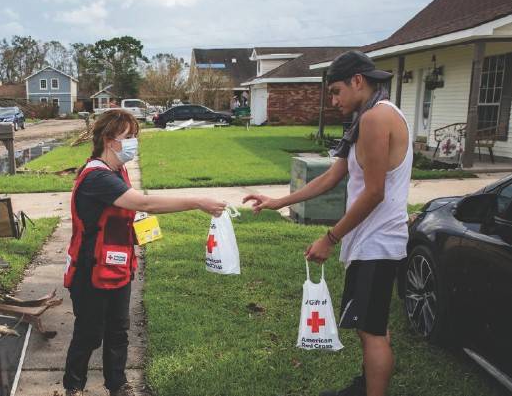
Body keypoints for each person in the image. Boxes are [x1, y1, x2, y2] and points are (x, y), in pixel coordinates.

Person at [243, 50, 411, 396]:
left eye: (336, 91)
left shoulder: (376, 119)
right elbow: (334, 176)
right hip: (372, 242)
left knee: (372, 331)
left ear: (358, 81)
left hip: (377, 242)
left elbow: (374, 192)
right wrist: (279, 201)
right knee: (372, 325)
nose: (333, 100)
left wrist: (330, 238)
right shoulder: (370, 116)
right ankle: (366, 385)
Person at [63, 109, 226, 396]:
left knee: (118, 332)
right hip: (90, 270)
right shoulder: (97, 177)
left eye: (135, 136)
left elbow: (131, 211)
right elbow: (144, 203)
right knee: (88, 335)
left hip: (118, 266)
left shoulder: (117, 171)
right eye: (130, 136)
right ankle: (73, 388)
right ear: (110, 140)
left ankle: (118, 385)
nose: (134, 142)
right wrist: (198, 200)